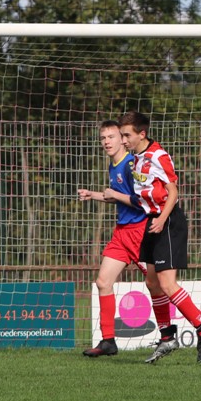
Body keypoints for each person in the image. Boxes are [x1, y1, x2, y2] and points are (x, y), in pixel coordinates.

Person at [118, 111, 201, 364]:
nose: (123, 140)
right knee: (152, 283)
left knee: (167, 284)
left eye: (126, 135)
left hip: (168, 221)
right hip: (152, 222)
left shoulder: (158, 156)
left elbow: (173, 191)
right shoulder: (136, 158)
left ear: (142, 134)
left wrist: (162, 219)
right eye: (121, 135)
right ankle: (167, 337)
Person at [78, 120, 148, 358]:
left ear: (123, 139)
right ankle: (108, 340)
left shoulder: (131, 165)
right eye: (103, 138)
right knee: (103, 282)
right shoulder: (114, 164)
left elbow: (141, 201)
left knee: (160, 284)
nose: (106, 142)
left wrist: (113, 195)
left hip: (139, 232)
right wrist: (93, 195)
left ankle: (196, 323)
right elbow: (115, 195)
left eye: (111, 137)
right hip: (121, 233)